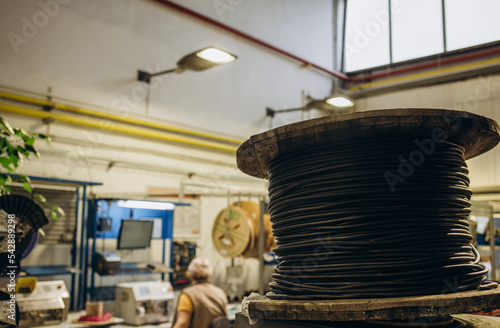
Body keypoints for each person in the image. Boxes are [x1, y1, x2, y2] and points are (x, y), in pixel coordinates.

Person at [172, 258, 228, 328]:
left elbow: (183, 323)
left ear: (190, 274)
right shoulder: (220, 292)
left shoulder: (188, 295)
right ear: (210, 273)